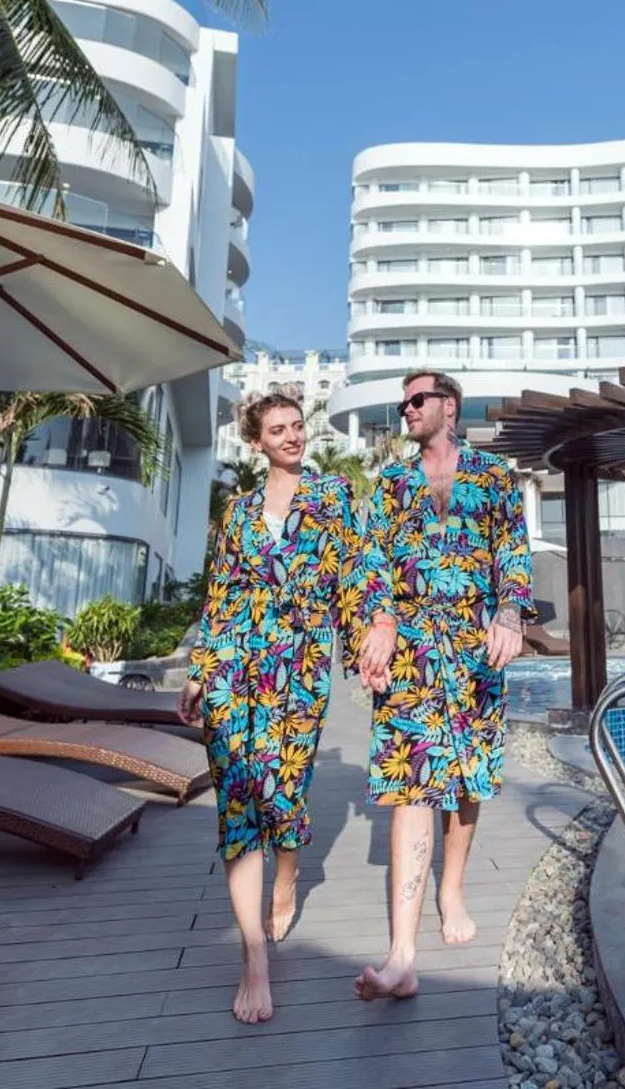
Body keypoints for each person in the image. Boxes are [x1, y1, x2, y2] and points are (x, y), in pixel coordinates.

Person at [178, 392, 389, 1024]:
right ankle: (253, 960)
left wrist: (371, 641)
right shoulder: (237, 513)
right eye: (279, 429)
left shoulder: (332, 500)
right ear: (257, 442)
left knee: (284, 792)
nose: (293, 436)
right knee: (238, 801)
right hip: (234, 668)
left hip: (298, 668)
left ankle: (289, 874)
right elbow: (220, 599)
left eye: (298, 426)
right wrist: (198, 672)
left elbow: (357, 577)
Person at [351, 369, 533, 1002]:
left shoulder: (494, 475)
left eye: (417, 400)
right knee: (410, 786)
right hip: (410, 650)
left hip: (474, 649)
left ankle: (450, 889)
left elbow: (512, 551)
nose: (406, 410)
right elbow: (371, 559)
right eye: (403, 402)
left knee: (466, 779)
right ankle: (403, 955)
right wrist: (378, 620)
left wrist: (510, 615)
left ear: (448, 407)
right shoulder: (392, 482)